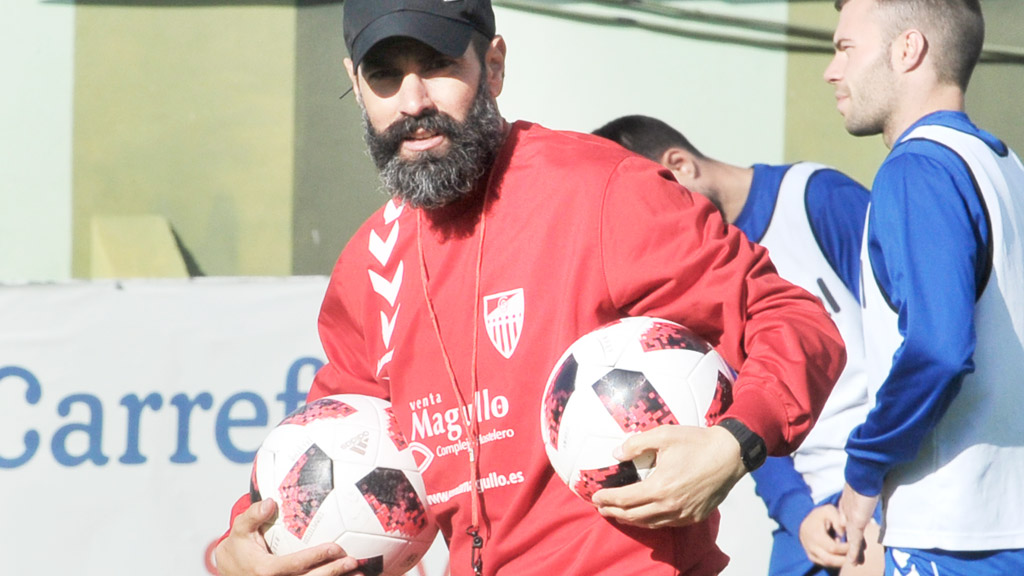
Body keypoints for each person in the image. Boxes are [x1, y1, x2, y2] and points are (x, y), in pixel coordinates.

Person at [214, 1, 848, 575]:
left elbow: (791, 318)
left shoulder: (604, 190)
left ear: (493, 66)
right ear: (355, 84)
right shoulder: (369, 264)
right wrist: (239, 549)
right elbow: (322, 443)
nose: (412, 103)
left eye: (437, 64)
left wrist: (733, 443)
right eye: (384, 77)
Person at [593, 115, 882, 576]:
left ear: (680, 166)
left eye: (652, 202)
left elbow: (907, 341)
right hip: (805, 520)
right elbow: (739, 416)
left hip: (883, 493)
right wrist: (796, 513)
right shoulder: (686, 277)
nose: (649, 224)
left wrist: (875, 490)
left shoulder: (816, 198)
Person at [824, 1, 1024, 575]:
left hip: (956, 535)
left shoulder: (918, 169)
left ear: (908, 49)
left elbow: (937, 348)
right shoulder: (1004, 166)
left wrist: (864, 468)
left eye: (845, 49)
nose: (831, 71)